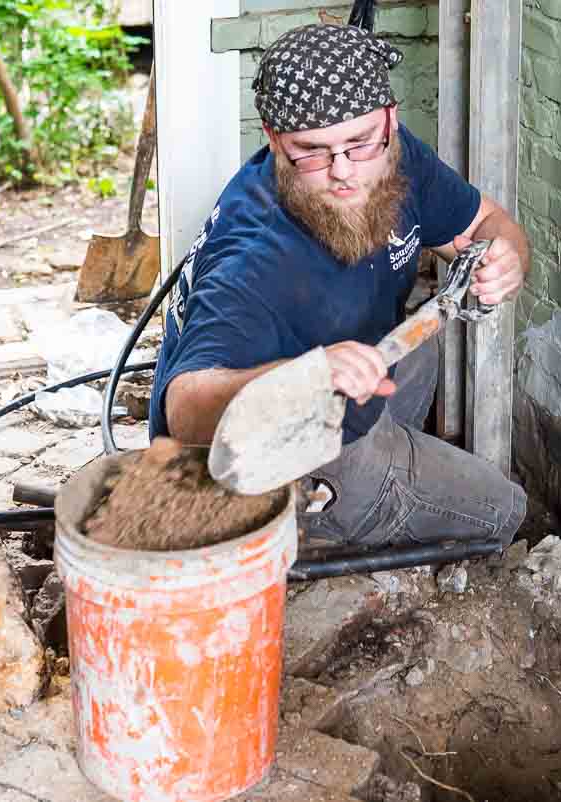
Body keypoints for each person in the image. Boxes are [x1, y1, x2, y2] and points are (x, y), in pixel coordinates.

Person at [148, 21, 530, 547]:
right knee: (505, 509)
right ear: (274, 140)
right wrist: (302, 377)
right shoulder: (255, 263)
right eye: (313, 151)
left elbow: (485, 224)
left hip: (349, 383)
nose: (343, 171)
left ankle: (390, 475)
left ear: (390, 122)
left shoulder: (394, 155)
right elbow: (186, 413)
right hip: (261, 465)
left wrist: (506, 255)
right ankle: (324, 521)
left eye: (359, 142)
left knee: (422, 336)